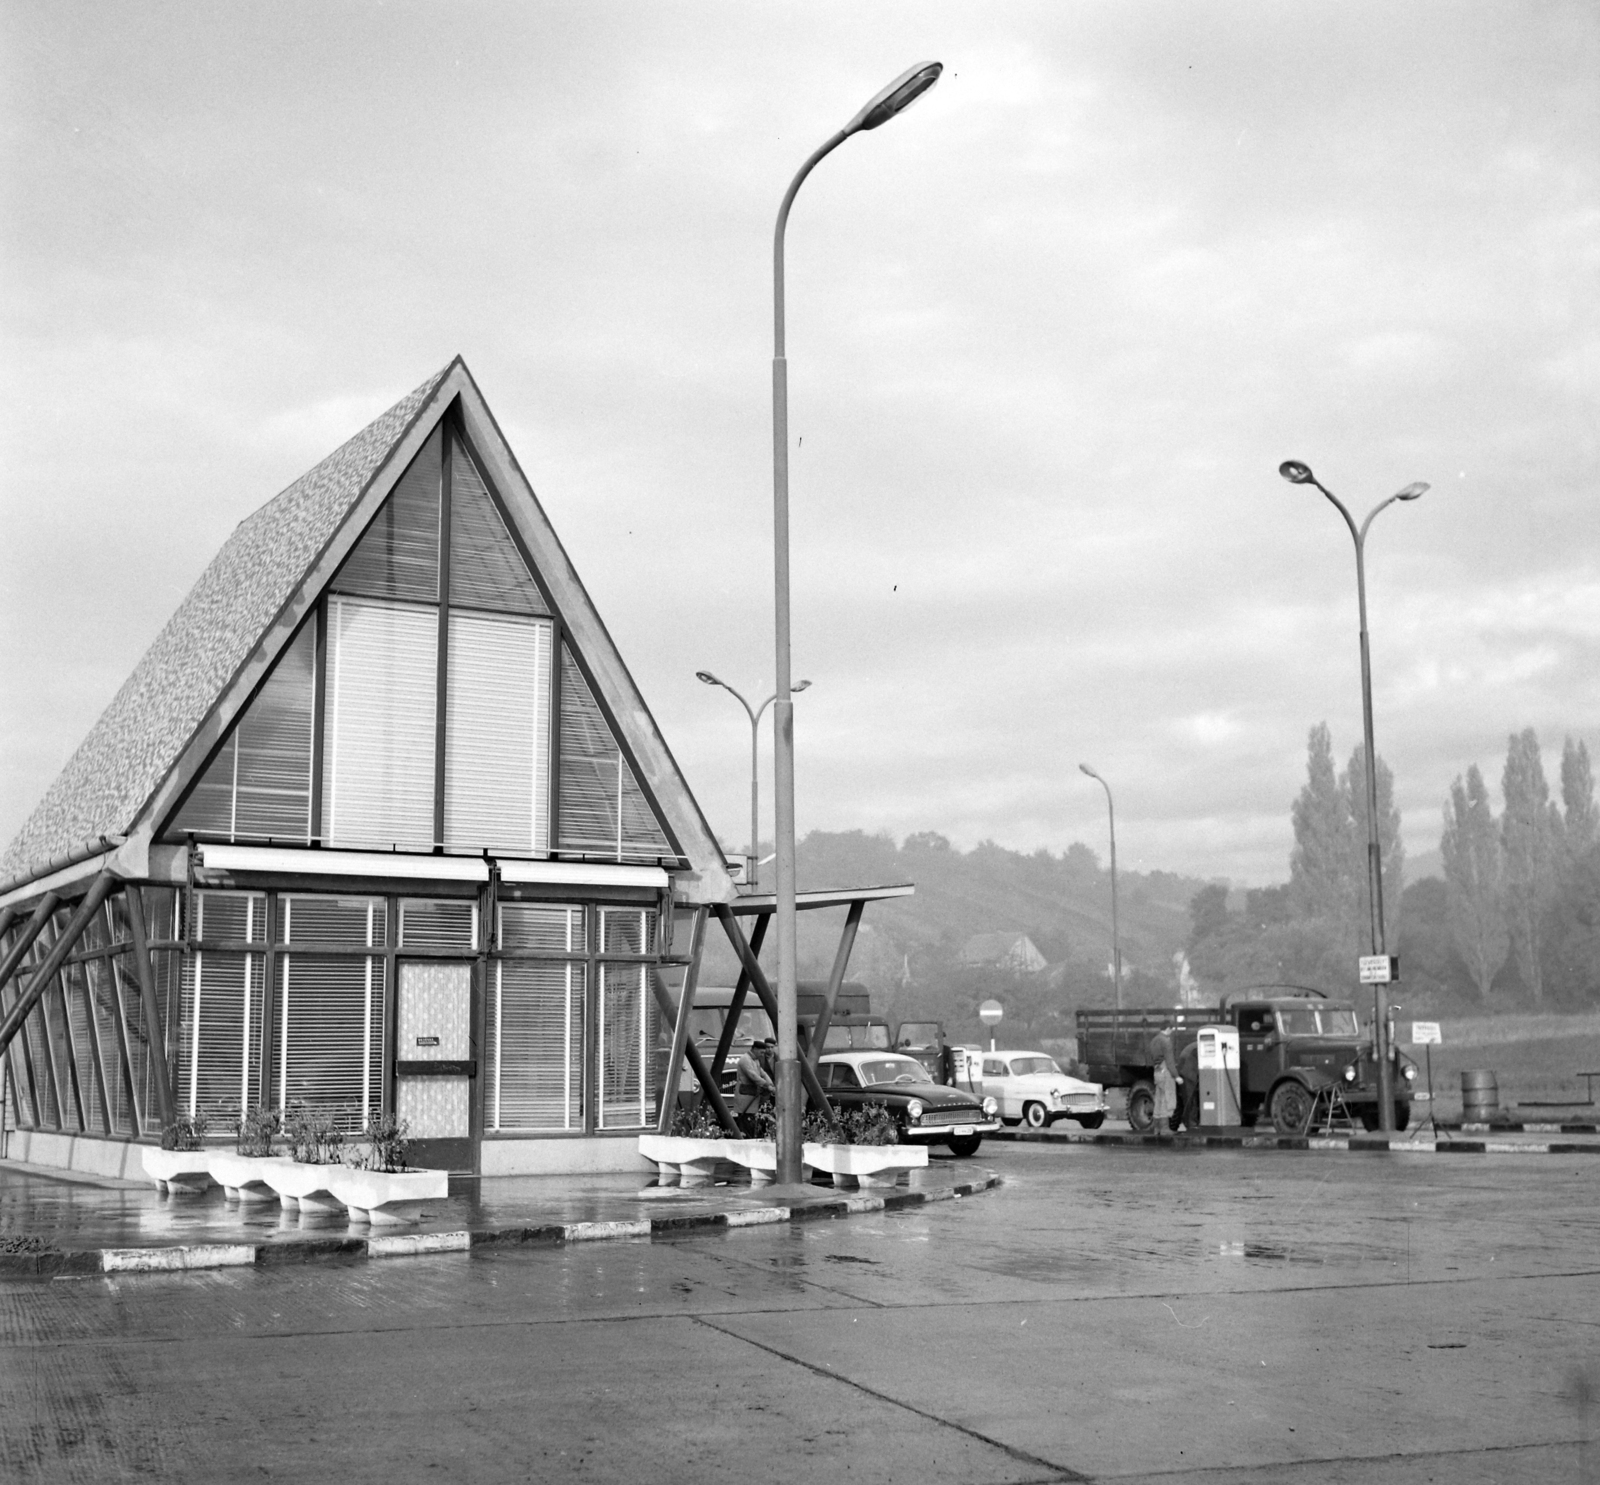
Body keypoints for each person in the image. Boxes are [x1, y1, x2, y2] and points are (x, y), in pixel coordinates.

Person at [733, 1037, 775, 1129]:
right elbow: (753, 1076)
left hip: (751, 1094)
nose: (763, 1055)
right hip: (745, 1096)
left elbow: (762, 1073)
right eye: (761, 1052)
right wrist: (767, 1085)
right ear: (755, 1049)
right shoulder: (745, 1060)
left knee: (751, 1120)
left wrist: (771, 1084)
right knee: (744, 1120)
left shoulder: (755, 1060)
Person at [1149, 1025, 1178, 1131]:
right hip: (1166, 1072)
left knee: (1159, 1099)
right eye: (1171, 1029)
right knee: (1167, 1099)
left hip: (1157, 1071)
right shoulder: (1166, 1041)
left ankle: (1157, 1128)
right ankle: (1165, 1129)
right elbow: (1170, 1062)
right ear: (1168, 1028)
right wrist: (1176, 1076)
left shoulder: (1154, 1040)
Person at [1174, 1033, 1200, 1130]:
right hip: (1188, 1072)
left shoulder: (1195, 1046)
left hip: (1186, 1070)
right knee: (1190, 1099)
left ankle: (1190, 1122)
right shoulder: (1197, 1048)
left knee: (1189, 1098)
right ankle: (1190, 1123)